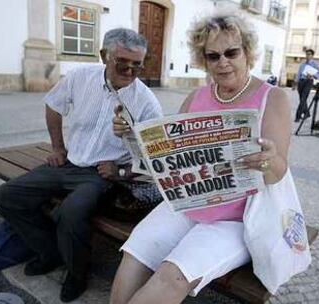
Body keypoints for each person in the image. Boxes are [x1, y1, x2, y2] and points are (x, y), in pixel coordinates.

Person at [110, 12, 291, 304]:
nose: (223, 62)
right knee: (135, 253)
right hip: (186, 203)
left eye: (231, 52)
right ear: (203, 59)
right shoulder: (195, 98)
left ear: (247, 52)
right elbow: (172, 155)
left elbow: (278, 172)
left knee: (173, 276)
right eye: (212, 56)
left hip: (237, 219)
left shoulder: (274, 98)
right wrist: (132, 137)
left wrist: (267, 160)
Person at [0, 28, 163, 302]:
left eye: (137, 65)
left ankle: (77, 273)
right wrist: (58, 148)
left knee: (71, 212)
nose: (130, 71)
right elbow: (53, 105)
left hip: (100, 175)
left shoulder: (146, 101)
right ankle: (49, 252)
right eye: (122, 62)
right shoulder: (80, 77)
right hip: (68, 162)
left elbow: (154, 156)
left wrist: (119, 170)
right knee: (6, 196)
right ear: (104, 56)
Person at [292, 48, 319, 122]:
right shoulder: (303, 64)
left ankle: (297, 117)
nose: (307, 56)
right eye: (306, 54)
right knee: (302, 99)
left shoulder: (315, 65)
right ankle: (307, 113)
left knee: (303, 99)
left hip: (308, 82)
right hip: (301, 82)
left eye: (309, 54)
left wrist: (312, 75)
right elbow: (298, 74)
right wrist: (295, 83)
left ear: (312, 56)